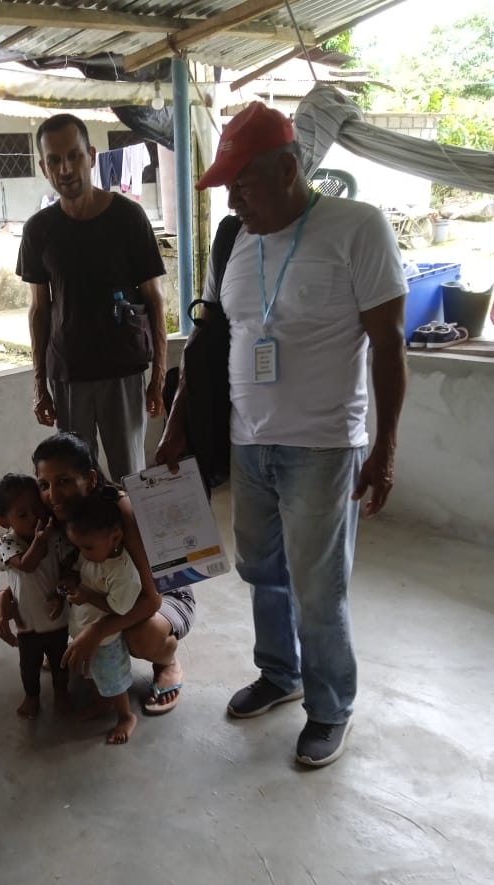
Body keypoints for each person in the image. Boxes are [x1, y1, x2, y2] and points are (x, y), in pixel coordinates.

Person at [158, 101, 408, 768]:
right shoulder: (235, 240)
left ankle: (330, 707)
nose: (233, 200)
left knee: (318, 588)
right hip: (248, 442)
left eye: (244, 184)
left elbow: (389, 346)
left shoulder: (358, 227)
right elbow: (208, 343)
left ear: (289, 169)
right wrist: (178, 425)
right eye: (228, 187)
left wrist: (384, 449)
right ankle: (280, 672)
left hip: (324, 445)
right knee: (262, 570)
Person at [0, 432, 194, 715]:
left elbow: (152, 599)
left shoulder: (119, 510)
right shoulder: (50, 513)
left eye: (64, 481)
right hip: (101, 591)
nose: (53, 495)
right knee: (53, 601)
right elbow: (36, 571)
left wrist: (96, 632)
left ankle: (166, 661)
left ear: (90, 479)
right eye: (44, 484)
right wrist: (4, 596)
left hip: (162, 591)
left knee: (143, 637)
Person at [16, 112, 168, 484]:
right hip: (68, 375)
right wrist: (39, 386)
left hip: (123, 371)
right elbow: (39, 311)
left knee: (131, 478)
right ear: (44, 168)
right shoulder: (39, 230)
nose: (65, 169)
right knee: (76, 482)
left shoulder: (128, 218)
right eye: (54, 160)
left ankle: (132, 527)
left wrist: (159, 377)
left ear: (92, 156)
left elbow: (154, 299)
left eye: (74, 156)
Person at [63, 492, 142, 745]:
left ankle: (126, 716)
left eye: (87, 547)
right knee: (94, 673)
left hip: (107, 639)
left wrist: (87, 595)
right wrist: (71, 582)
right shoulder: (93, 554)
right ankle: (102, 702)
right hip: (85, 627)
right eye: (79, 547)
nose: (82, 553)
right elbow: (80, 569)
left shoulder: (123, 572)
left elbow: (120, 608)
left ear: (115, 537)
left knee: (113, 679)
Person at [0, 472, 71, 719]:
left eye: (37, 510)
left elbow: (66, 568)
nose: (34, 518)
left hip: (57, 619)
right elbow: (27, 565)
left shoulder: (55, 537)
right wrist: (39, 541)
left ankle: (61, 693)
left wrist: (61, 594)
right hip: (27, 623)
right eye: (22, 514)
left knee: (60, 662)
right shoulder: (8, 543)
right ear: (4, 522)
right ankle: (32, 697)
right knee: (29, 665)